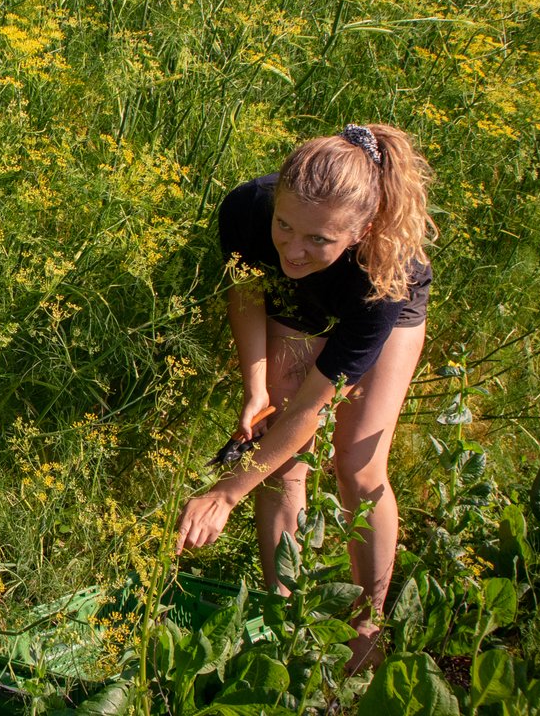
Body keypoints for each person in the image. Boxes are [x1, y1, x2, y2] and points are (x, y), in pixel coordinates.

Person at [173, 123, 435, 674]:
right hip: (303, 300)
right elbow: (246, 293)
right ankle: (282, 624)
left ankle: (366, 629)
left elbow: (314, 407)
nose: (292, 248)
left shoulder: (382, 274)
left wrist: (224, 494)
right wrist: (256, 389)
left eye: (317, 238)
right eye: (285, 226)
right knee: (280, 460)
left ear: (361, 229)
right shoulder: (248, 209)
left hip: (378, 297)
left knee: (357, 466)